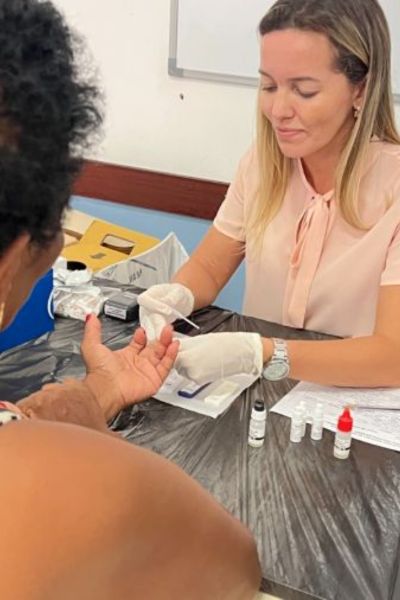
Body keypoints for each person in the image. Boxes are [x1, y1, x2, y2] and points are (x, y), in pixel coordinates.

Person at [0, 1, 261, 597]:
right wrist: (76, 438)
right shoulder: (75, 481)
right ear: (18, 257)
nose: (282, 107)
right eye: (270, 85)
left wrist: (99, 392)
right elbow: (235, 567)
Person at [138, 0, 400, 389]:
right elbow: (209, 267)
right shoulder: (262, 166)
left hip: (350, 404)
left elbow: (392, 357)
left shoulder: (393, 187)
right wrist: (176, 296)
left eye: (304, 91)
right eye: (268, 86)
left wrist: (261, 352)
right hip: (262, 396)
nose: (277, 110)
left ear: (360, 89)